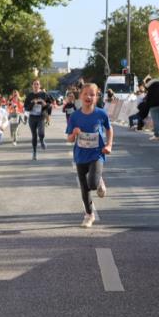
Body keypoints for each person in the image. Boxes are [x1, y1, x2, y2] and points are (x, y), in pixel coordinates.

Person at [66, 83, 113, 228]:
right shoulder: (75, 116)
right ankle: (89, 215)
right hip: (80, 155)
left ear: (97, 97)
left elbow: (109, 129)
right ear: (80, 96)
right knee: (84, 187)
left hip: (96, 153)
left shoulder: (101, 114)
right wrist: (74, 134)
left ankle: (98, 180)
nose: (88, 97)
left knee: (92, 184)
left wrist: (109, 145)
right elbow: (69, 139)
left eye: (92, 94)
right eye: (85, 94)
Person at [24, 79, 51, 160]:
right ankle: (34, 152)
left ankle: (42, 140)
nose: (36, 85)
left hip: (41, 116)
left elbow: (50, 104)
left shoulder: (44, 94)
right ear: (32, 86)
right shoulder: (29, 95)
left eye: (37, 84)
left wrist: (44, 104)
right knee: (34, 135)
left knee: (41, 133)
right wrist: (33, 103)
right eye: (34, 84)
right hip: (32, 117)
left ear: (40, 85)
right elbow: (26, 107)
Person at [144, 75, 159, 140]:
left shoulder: (151, 88)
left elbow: (148, 98)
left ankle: (156, 134)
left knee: (156, 120)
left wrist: (147, 105)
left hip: (153, 106)